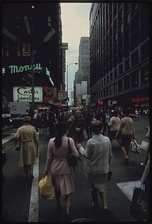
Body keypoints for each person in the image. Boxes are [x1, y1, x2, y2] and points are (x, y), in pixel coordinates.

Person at [44, 122, 79, 221]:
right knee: (68, 191)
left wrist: (46, 170)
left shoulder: (51, 141)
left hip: (55, 168)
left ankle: (58, 205)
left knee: (57, 189)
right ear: (66, 130)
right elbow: (76, 155)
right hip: (66, 168)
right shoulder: (69, 140)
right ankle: (67, 212)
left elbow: (49, 158)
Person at [81, 120, 113, 211]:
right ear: (102, 128)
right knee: (103, 187)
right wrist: (108, 165)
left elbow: (87, 155)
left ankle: (95, 202)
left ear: (92, 129)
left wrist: (80, 149)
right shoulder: (107, 140)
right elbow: (110, 155)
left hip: (92, 169)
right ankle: (105, 205)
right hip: (104, 168)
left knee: (93, 188)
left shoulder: (90, 142)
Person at [14, 116, 39, 181]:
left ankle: (26, 174)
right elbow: (36, 139)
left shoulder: (21, 129)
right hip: (31, 144)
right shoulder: (33, 128)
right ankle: (31, 173)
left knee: (25, 160)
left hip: (24, 145)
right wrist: (37, 145)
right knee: (31, 160)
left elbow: (16, 137)